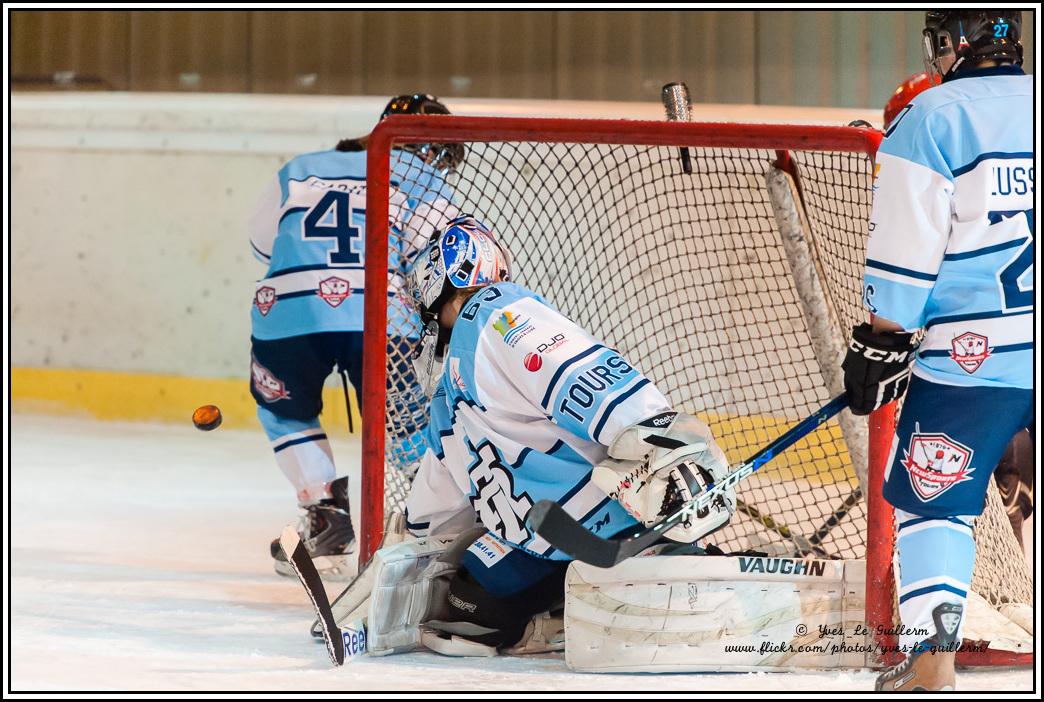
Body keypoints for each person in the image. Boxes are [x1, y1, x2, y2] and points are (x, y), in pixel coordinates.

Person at [399, 215, 736, 652]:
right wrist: (413, 554)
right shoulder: (447, 397)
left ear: (438, 287)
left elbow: (579, 372)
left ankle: (676, 568)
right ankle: (573, 610)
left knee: (472, 602)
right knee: (466, 604)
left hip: (611, 520)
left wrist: (660, 439)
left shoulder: (495, 314)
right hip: (551, 539)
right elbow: (438, 498)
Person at [841, 10, 1031, 691]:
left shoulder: (931, 117)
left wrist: (882, 339)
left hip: (973, 361)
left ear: (954, 43)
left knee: (934, 506)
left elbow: (904, 252)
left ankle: (931, 668)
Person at [248, 94, 462, 579]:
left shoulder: (301, 167)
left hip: (286, 311)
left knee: (286, 411)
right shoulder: (422, 179)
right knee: (406, 425)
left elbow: (262, 242)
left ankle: (325, 519)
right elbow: (436, 259)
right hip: (381, 316)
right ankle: (439, 526)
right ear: (432, 148)